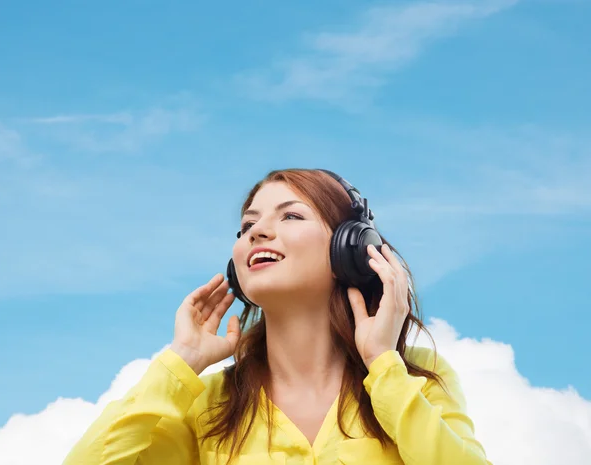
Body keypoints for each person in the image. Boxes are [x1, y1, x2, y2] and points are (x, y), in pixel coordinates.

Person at [63, 168, 492, 465]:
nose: (257, 231)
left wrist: (383, 365)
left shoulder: (417, 377)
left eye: (290, 215)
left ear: (351, 249)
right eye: (247, 224)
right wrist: (180, 363)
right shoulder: (205, 404)